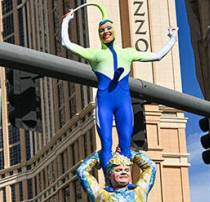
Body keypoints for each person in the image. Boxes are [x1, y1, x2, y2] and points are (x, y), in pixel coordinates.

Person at [61, 3, 177, 172]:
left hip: (123, 102)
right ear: (99, 34)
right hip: (105, 102)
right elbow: (67, 44)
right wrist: (67, 21)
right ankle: (109, 181)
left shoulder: (128, 53)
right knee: (106, 143)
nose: (105, 31)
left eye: (108, 28)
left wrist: (172, 38)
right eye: (101, 30)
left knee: (125, 143)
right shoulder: (95, 54)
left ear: (114, 30)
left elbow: (158, 56)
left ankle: (124, 180)